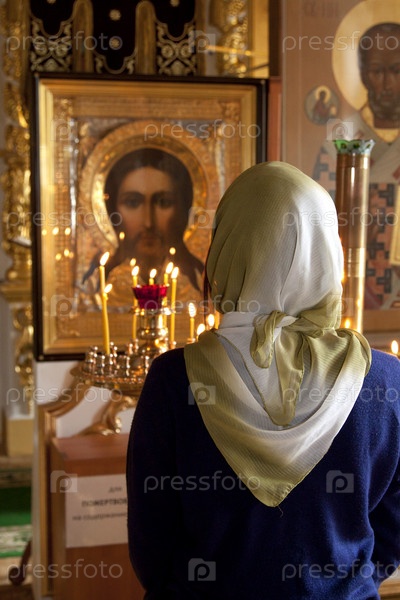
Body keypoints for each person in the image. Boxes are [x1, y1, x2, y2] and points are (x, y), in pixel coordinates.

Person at [126, 161, 400, 599]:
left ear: (227, 248)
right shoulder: (385, 380)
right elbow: (392, 528)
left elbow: (151, 544)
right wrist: (346, 582)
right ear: (327, 250)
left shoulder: (173, 380)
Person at [314, 21, 400, 310]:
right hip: (354, 289)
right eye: (377, 71)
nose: (387, 84)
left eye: (397, 70)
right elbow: (319, 220)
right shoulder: (338, 140)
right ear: (363, 74)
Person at [82, 147, 204, 304]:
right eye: (133, 202)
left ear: (182, 209)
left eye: (163, 202)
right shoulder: (97, 290)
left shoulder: (198, 285)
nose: (148, 223)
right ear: (112, 210)